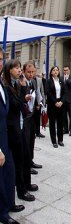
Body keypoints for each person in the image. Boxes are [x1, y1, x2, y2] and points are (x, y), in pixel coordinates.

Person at [2, 60, 36, 202]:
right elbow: (16, 105)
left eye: (18, 67)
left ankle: (26, 184)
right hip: (13, 130)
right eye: (16, 68)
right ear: (9, 70)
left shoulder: (15, 84)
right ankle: (21, 190)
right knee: (19, 161)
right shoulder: (7, 86)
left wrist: (23, 96)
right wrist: (23, 91)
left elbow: (20, 103)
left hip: (20, 126)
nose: (19, 70)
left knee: (26, 157)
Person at [0, 50, 23, 224]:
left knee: (10, 172)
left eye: (0, 59)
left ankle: (8, 205)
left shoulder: (1, 85)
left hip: (6, 137)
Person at [22, 61, 43, 174]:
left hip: (33, 115)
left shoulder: (34, 81)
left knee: (32, 139)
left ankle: (31, 161)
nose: (31, 74)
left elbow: (37, 94)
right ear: (24, 71)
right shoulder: (22, 83)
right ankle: (26, 165)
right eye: (28, 72)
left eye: (33, 72)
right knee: (25, 140)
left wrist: (39, 104)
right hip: (25, 117)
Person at [46, 66, 65, 148]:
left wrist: (61, 101)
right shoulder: (48, 81)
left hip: (60, 104)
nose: (56, 71)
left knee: (60, 123)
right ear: (51, 72)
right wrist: (55, 102)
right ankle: (54, 141)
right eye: (54, 70)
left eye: (57, 70)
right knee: (52, 123)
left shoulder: (61, 81)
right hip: (52, 104)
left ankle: (60, 140)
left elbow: (65, 92)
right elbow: (48, 93)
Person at [62, 65, 71, 136]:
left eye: (66, 70)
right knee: (64, 116)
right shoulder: (61, 78)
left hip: (70, 100)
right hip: (63, 100)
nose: (65, 71)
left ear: (69, 70)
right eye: (64, 70)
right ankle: (65, 129)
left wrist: (67, 79)